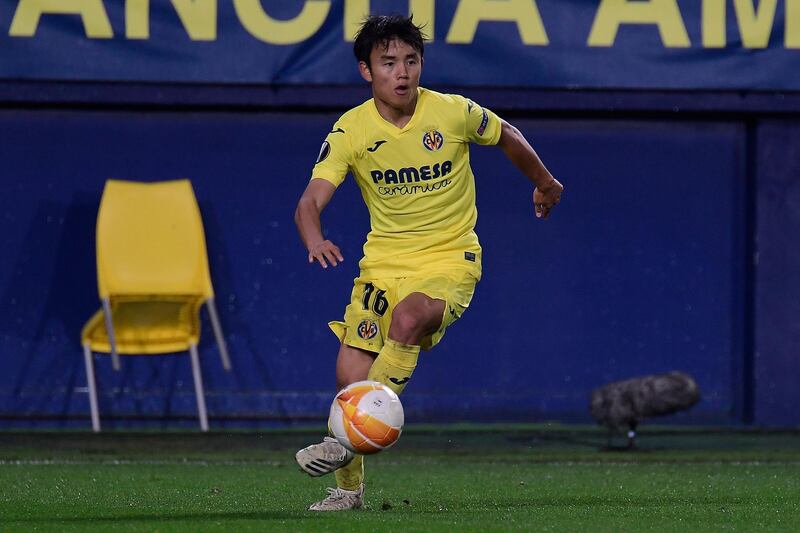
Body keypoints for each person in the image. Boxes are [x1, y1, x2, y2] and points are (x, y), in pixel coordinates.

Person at [293, 14, 563, 511]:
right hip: (382, 264)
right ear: (365, 71)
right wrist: (314, 238)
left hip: (448, 257)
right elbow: (309, 201)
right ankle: (349, 490)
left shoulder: (452, 112)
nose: (402, 73)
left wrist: (545, 182)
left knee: (410, 317)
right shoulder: (351, 130)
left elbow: (505, 134)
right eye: (388, 62)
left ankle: (345, 442)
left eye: (411, 61)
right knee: (348, 371)